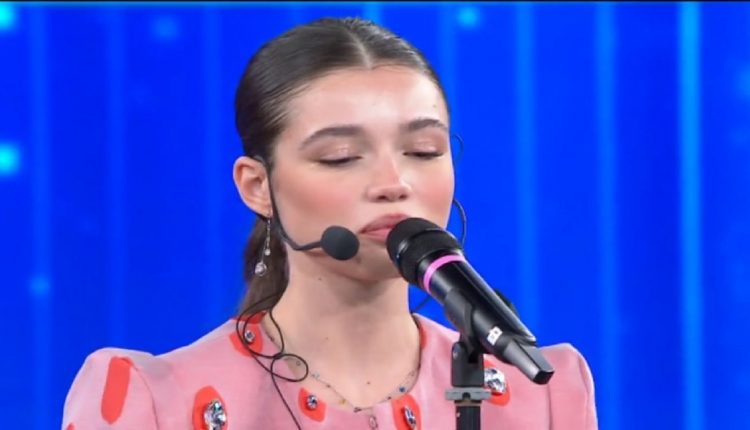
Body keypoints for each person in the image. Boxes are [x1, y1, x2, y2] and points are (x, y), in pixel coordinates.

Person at [62, 16, 598, 430]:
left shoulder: (539, 394)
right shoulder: (156, 402)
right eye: (341, 156)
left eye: (423, 150)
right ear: (257, 186)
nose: (393, 182)